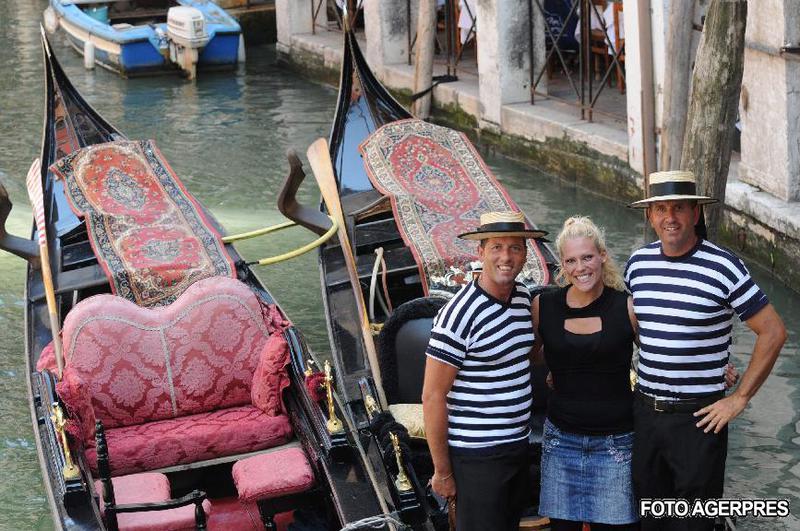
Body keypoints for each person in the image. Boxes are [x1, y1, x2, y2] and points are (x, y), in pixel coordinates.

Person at [625, 170, 786, 530]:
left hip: (700, 419)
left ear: (695, 214)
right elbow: (645, 332)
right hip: (646, 415)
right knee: (649, 519)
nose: (670, 218)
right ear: (650, 216)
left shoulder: (724, 266)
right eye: (661, 209)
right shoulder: (637, 265)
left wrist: (739, 398)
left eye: (679, 208)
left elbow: (774, 332)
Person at [422, 210, 546, 531]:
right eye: (496, 247)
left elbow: (525, 356)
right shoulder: (458, 316)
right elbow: (433, 396)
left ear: (525, 253)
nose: (506, 257)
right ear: (480, 252)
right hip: (476, 457)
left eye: (515, 248)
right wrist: (443, 472)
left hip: (518, 446)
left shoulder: (522, 298)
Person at [532, 216, 640, 531]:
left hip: (617, 443)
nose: (581, 267)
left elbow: (660, 356)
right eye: (571, 260)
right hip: (561, 439)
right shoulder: (543, 306)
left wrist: (719, 368)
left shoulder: (627, 307)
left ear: (602, 256)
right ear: (562, 266)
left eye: (588, 257)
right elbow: (530, 355)